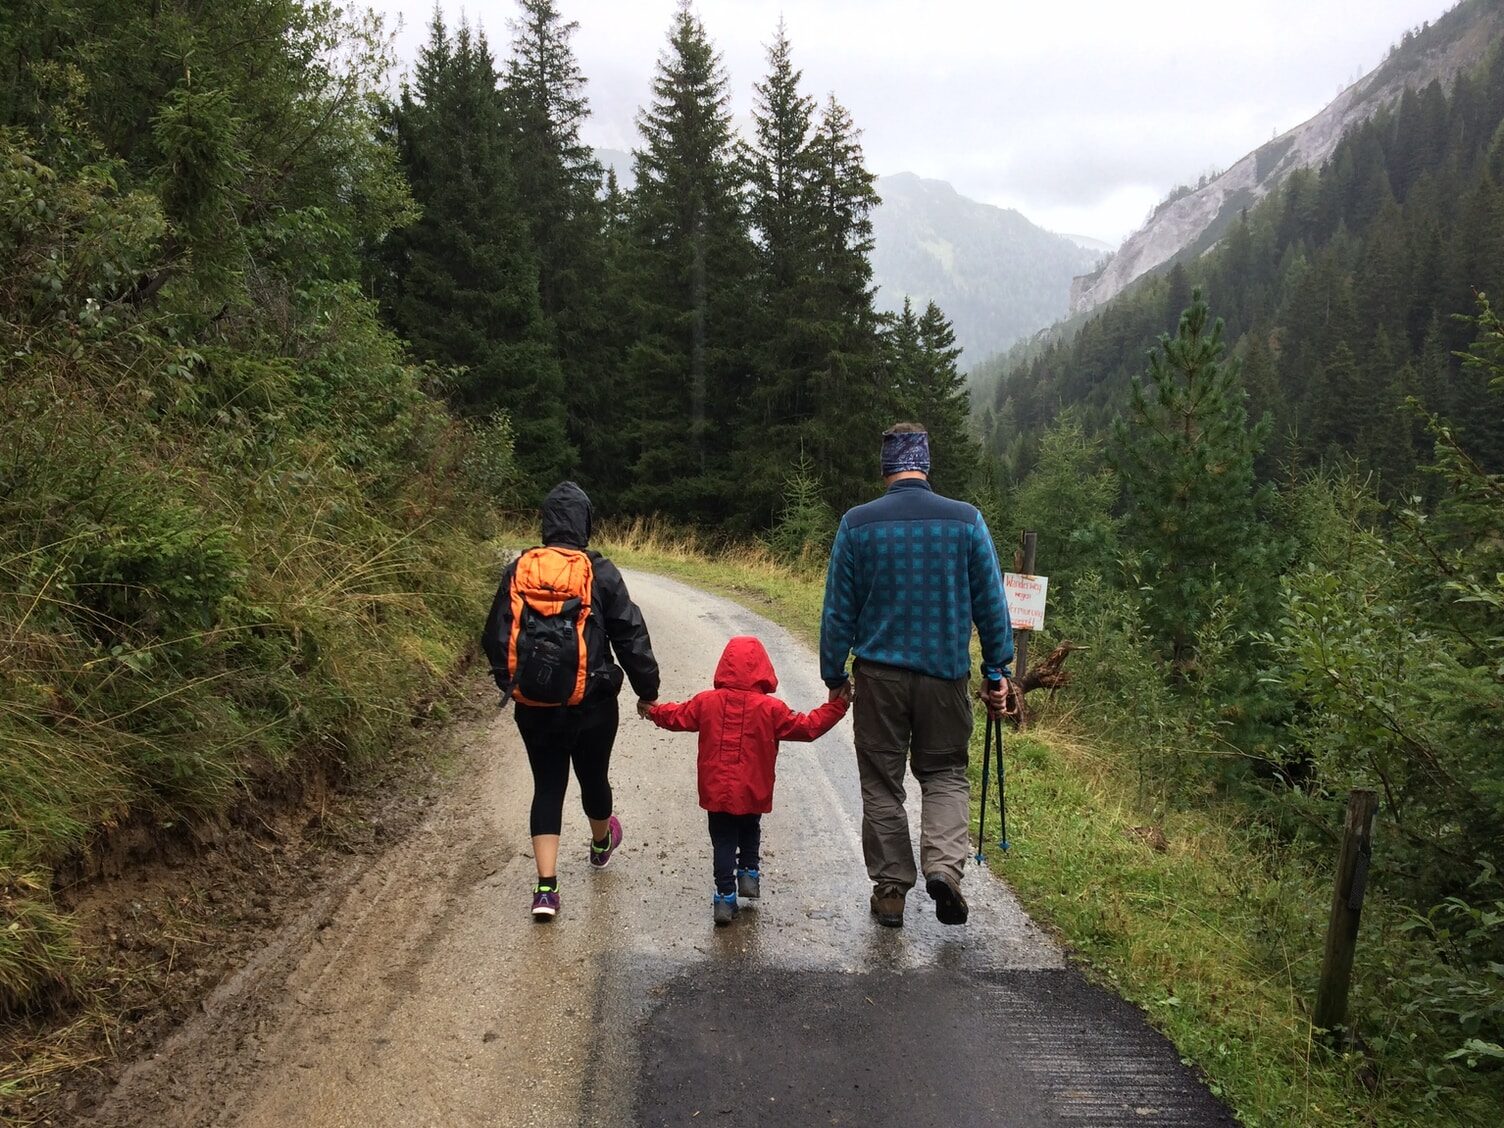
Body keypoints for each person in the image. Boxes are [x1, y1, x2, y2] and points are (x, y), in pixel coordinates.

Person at [819, 423, 1014, 929]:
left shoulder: (857, 525)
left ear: (885, 467)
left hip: (880, 679)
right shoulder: (966, 521)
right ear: (925, 463)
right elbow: (992, 606)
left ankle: (890, 892)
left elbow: (838, 611)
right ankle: (944, 870)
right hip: (945, 676)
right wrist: (998, 671)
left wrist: (833, 672)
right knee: (946, 773)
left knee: (882, 784)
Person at [482, 481, 660, 921]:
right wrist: (647, 691)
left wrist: (515, 683)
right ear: (585, 523)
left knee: (547, 786)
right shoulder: (599, 571)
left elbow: (494, 636)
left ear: (546, 523)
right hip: (592, 703)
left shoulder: (519, 569)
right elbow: (630, 634)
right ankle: (601, 844)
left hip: (534, 705)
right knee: (593, 776)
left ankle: (545, 889)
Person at [641, 636, 850, 926]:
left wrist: (653, 711)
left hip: (716, 789)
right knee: (751, 826)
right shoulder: (771, 709)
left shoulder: (706, 702)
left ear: (724, 666)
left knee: (723, 840)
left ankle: (725, 897)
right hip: (754, 787)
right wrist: (837, 707)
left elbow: (677, 716)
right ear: (763, 669)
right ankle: (749, 874)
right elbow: (808, 726)